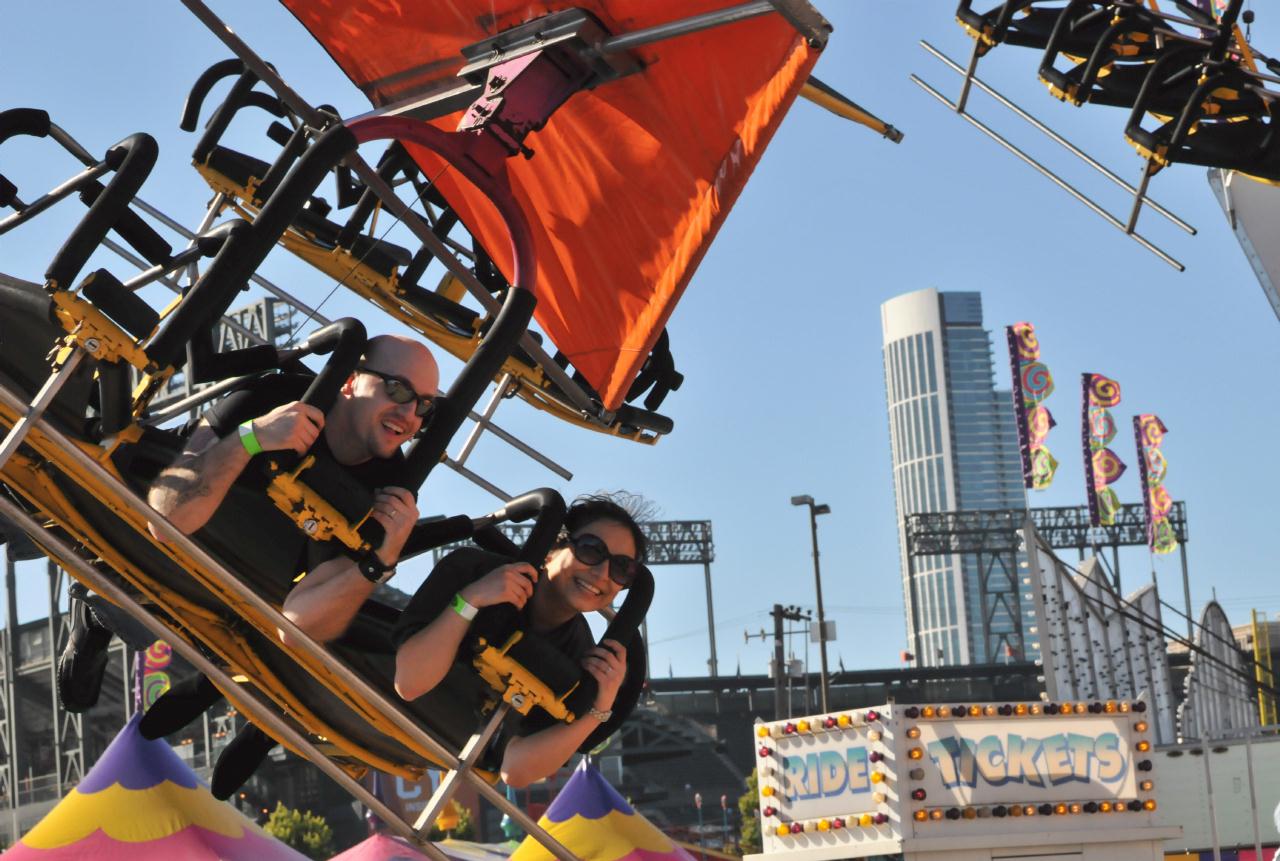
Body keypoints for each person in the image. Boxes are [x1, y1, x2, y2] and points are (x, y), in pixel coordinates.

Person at [56, 334, 439, 791]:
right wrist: (250, 439)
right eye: (397, 391)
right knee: (148, 584)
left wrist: (378, 561)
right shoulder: (272, 397)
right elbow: (166, 518)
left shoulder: (390, 485)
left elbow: (301, 623)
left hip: (257, 594)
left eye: (425, 406)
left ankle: (260, 716)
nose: (409, 414)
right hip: (165, 548)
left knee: (335, 639)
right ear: (352, 380)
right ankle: (96, 619)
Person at [392, 493, 648, 788]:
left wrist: (598, 708)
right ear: (553, 548)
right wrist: (471, 600)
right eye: (591, 550)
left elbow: (516, 772)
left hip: (455, 746)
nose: (602, 573)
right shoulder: (472, 570)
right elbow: (409, 683)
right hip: (388, 700)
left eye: (621, 568)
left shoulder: (580, 659)